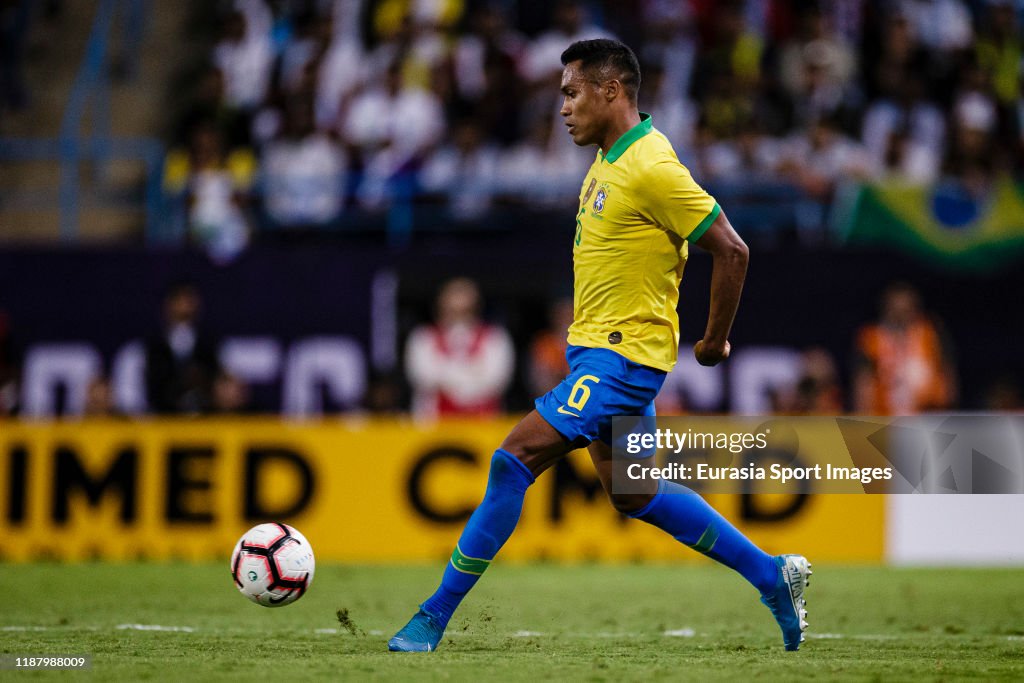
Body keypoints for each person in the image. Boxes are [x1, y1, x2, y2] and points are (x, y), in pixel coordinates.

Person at [389, 39, 811, 654]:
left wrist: (715, 339)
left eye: (570, 92)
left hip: (621, 361)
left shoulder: (651, 167)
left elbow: (733, 248)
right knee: (637, 492)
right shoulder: (610, 161)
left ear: (610, 90)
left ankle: (431, 617)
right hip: (600, 356)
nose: (562, 108)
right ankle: (773, 575)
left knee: (513, 460)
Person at [404, 277, 515, 419]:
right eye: (452, 311)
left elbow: (496, 381)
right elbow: (423, 378)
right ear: (439, 308)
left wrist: (447, 375)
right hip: (433, 423)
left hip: (484, 422)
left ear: (476, 308)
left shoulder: (495, 337)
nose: (458, 320)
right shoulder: (423, 338)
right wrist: (472, 372)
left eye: (465, 311)